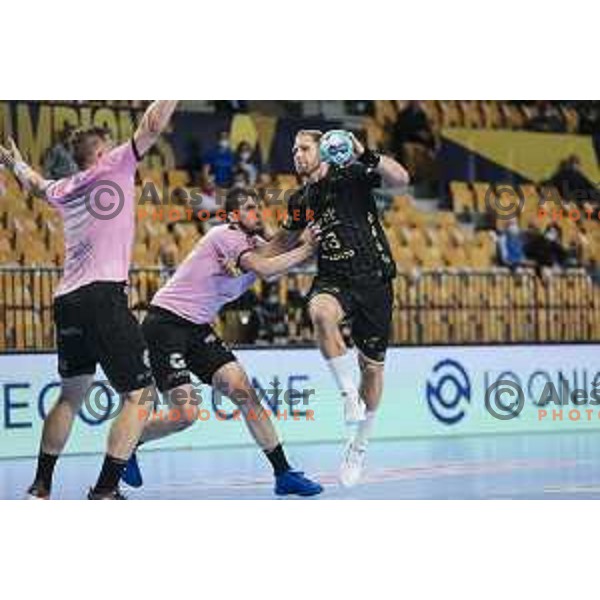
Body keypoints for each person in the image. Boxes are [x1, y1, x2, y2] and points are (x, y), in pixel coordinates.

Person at [0, 100, 178, 499]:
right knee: (140, 395)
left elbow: (35, 185)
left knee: (72, 394)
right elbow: (151, 123)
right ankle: (105, 489)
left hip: (67, 300)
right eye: (113, 144)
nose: (120, 147)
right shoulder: (114, 164)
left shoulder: (66, 186)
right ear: (101, 152)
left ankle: (40, 486)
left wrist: (14, 164)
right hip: (103, 296)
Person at [123, 188, 323, 497]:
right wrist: (307, 249)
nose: (257, 212)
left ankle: (284, 473)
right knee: (185, 414)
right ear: (232, 217)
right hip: (165, 323)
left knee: (245, 393)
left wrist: (300, 218)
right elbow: (267, 269)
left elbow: (278, 245)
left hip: (197, 327)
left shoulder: (254, 243)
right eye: (249, 208)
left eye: (259, 207)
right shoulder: (225, 236)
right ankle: (128, 443)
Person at [268, 129, 409, 487]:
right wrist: (244, 257)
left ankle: (358, 446)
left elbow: (401, 180)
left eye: (304, 148)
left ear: (324, 150)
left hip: (374, 279)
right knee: (319, 313)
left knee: (373, 371)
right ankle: (349, 396)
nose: (297, 155)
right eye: (294, 149)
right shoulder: (301, 198)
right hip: (334, 278)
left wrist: (365, 152)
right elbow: (281, 241)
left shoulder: (353, 175)